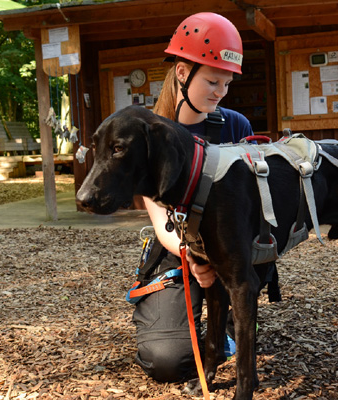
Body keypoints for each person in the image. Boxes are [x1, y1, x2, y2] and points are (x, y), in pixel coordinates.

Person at [128, 12, 278, 383]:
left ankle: (228, 325)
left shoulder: (235, 125)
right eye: (213, 81)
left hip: (231, 248)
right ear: (182, 72)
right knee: (167, 361)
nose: (221, 92)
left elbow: (254, 201)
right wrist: (193, 256)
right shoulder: (149, 133)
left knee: (237, 319)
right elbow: (160, 216)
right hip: (178, 247)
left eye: (226, 84)